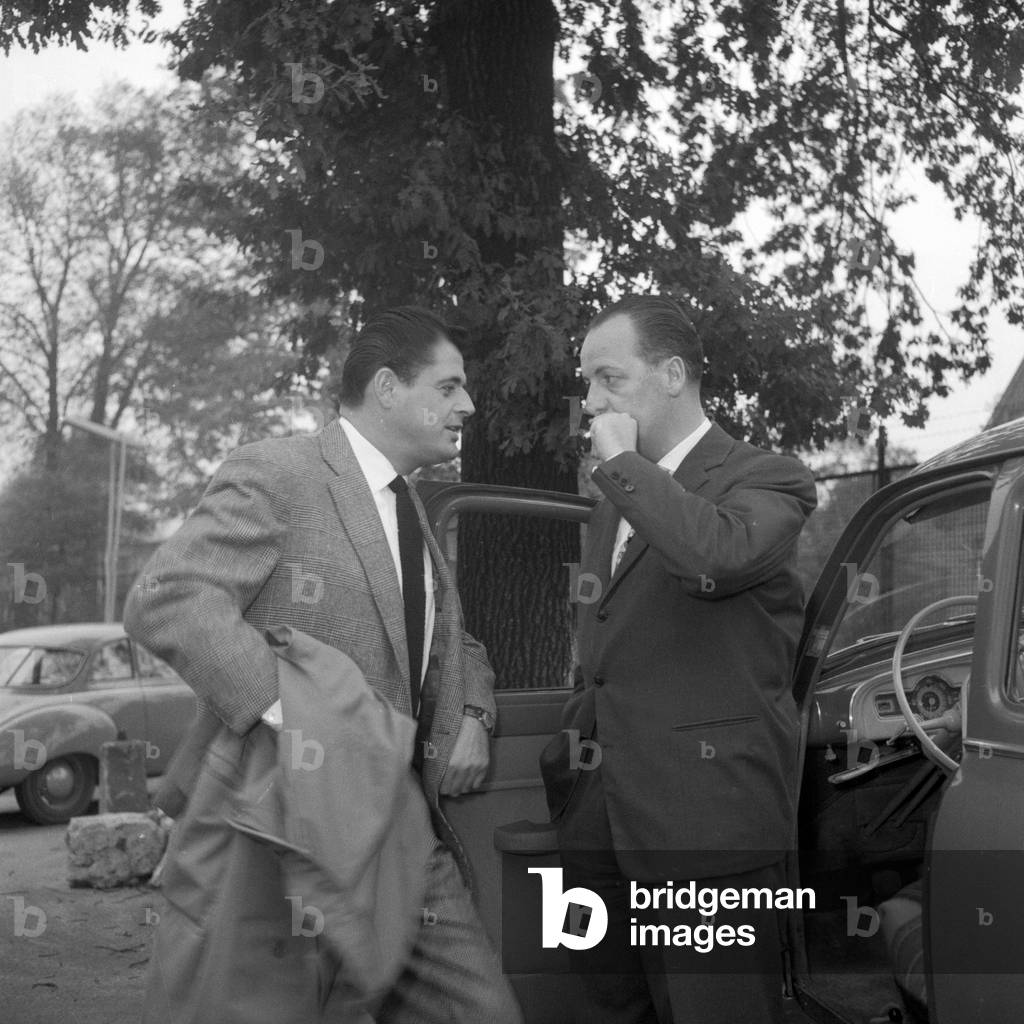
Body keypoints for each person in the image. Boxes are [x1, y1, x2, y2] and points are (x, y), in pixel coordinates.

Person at [125, 306, 522, 1024]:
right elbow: (168, 597)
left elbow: (446, 640)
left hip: (398, 829)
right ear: (387, 388)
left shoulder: (413, 508)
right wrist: (302, 718)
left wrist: (472, 709)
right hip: (288, 826)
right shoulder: (280, 471)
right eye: (449, 384)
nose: (467, 405)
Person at [544, 295, 817, 1024]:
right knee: (607, 1007)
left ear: (671, 374)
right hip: (597, 819)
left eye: (608, 379)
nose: (592, 402)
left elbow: (714, 555)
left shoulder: (767, 476)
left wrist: (625, 465)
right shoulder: (616, 494)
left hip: (704, 824)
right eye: (587, 383)